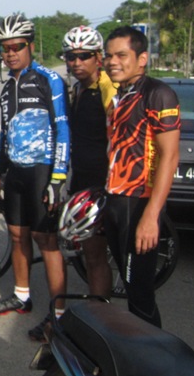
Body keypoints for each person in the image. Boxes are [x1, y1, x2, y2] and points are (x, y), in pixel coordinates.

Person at [0, 15, 69, 342]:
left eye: (17, 46)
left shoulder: (49, 79)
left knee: (45, 240)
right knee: (17, 235)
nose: (10, 53)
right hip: (16, 173)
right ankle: (22, 296)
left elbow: (63, 129)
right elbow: (5, 135)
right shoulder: (7, 88)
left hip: (42, 171)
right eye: (5, 48)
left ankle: (59, 314)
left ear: (30, 46)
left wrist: (58, 177)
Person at [102, 26, 180, 327]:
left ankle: (155, 351)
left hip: (139, 203)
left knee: (140, 295)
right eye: (109, 56)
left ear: (142, 58)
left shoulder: (158, 94)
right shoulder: (120, 96)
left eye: (122, 55)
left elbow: (169, 157)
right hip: (116, 200)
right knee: (131, 288)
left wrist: (151, 215)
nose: (113, 62)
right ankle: (138, 347)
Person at [61, 26, 114, 298]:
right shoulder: (79, 88)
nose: (77, 62)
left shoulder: (107, 88)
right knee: (88, 252)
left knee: (95, 255)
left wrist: (109, 185)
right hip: (81, 178)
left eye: (84, 56)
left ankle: (100, 310)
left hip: (101, 182)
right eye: (71, 56)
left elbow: (119, 138)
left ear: (98, 57)